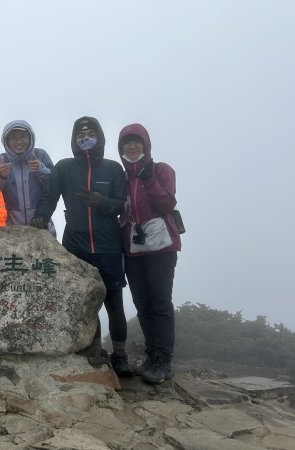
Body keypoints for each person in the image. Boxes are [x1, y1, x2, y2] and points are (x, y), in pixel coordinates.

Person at [30, 116, 131, 376]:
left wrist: (101, 201)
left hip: (109, 246)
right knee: (84, 303)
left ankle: (120, 356)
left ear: (100, 136)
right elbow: (49, 196)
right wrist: (40, 217)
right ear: (74, 139)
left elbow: (122, 205)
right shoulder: (64, 168)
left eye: (90, 132)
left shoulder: (112, 169)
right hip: (76, 245)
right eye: (80, 134)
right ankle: (94, 350)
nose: (85, 137)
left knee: (114, 303)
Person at [118, 123, 181, 384]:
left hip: (162, 247)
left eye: (136, 141)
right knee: (142, 304)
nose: (132, 146)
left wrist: (148, 179)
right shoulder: (121, 177)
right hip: (134, 249)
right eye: (127, 143)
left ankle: (163, 361)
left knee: (160, 302)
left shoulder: (161, 170)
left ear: (146, 144)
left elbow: (167, 203)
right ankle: (151, 355)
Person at [0, 120, 56, 236]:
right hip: (10, 227)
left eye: (23, 136)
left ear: (30, 138)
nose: (19, 141)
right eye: (13, 138)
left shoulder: (41, 155)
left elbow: (54, 185)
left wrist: (41, 170)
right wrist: (0, 177)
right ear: (6, 141)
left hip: (41, 223)